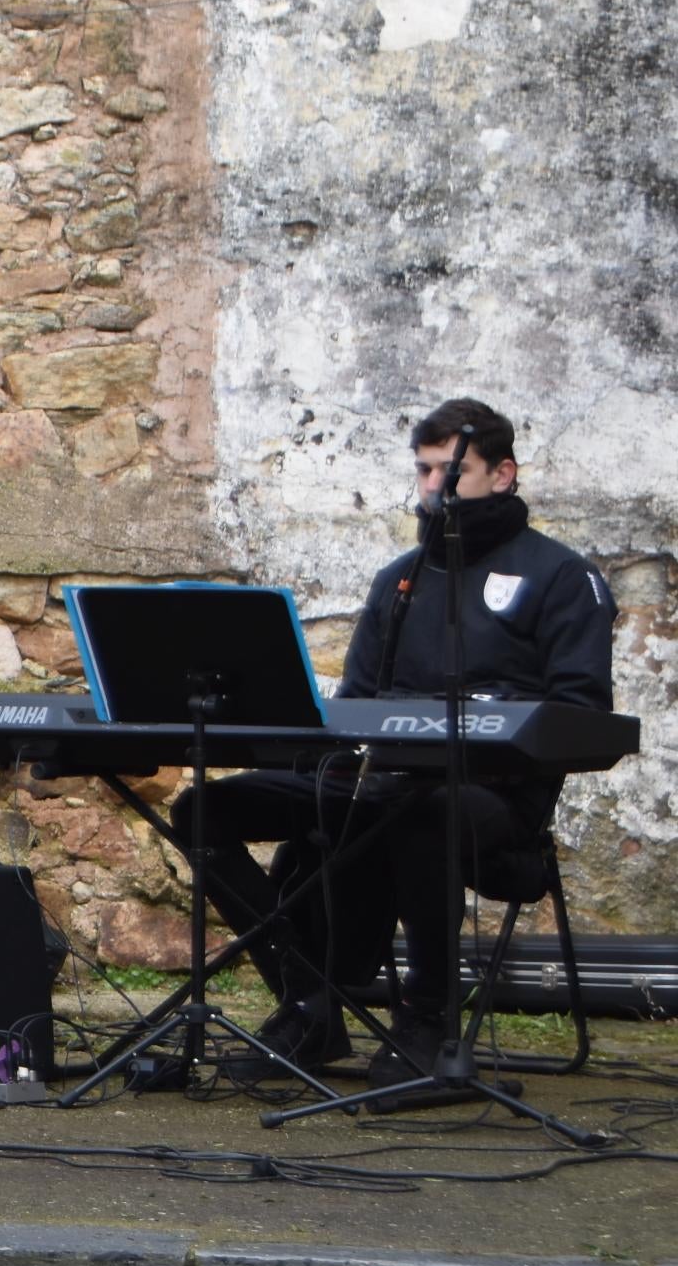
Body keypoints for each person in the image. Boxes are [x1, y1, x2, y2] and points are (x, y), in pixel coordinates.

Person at [183, 398, 615, 1082]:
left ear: (502, 475)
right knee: (205, 808)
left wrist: (486, 725)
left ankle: (428, 1017)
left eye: (453, 470)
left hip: (494, 805)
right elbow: (354, 710)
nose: (435, 487)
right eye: (424, 471)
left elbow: (582, 712)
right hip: (379, 787)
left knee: (422, 809)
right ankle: (308, 999)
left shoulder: (560, 577)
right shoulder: (400, 582)